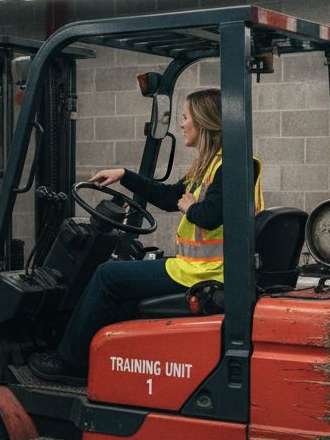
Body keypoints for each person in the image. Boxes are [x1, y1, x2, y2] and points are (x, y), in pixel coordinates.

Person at [30, 88, 263, 383]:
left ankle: (70, 362)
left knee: (106, 275)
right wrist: (125, 175)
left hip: (205, 274)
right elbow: (168, 197)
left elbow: (211, 215)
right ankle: (112, 362)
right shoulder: (211, 166)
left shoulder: (231, 165)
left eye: (185, 117)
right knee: (126, 277)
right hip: (198, 269)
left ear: (204, 122)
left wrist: (191, 207)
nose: (181, 124)